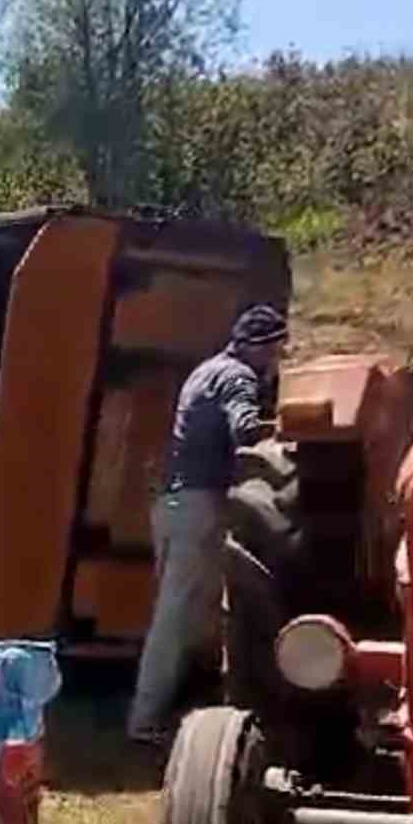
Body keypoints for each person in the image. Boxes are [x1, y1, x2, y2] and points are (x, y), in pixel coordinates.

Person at [127, 303, 290, 746]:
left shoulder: (207, 370)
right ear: (266, 347)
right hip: (199, 503)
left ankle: (182, 707)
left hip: (174, 501)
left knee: (192, 613)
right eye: (277, 350)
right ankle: (145, 721)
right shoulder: (239, 378)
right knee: (177, 616)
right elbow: (246, 430)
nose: (277, 360)